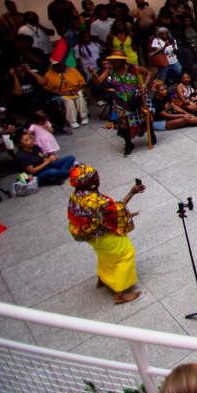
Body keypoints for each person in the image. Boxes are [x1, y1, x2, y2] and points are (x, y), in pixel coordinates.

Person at [66, 164, 143, 304]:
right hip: (101, 234)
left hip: (89, 235)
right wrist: (132, 192)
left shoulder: (76, 195)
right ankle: (120, 294)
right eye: (96, 178)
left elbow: (99, 214)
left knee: (105, 255)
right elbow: (115, 209)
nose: (99, 179)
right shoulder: (94, 201)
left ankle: (103, 279)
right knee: (125, 254)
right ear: (88, 183)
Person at [95, 51, 156, 157]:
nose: (114, 62)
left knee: (145, 116)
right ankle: (128, 144)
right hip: (121, 99)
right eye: (113, 60)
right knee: (123, 123)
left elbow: (149, 73)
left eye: (117, 59)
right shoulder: (110, 70)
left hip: (136, 96)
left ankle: (152, 135)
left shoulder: (134, 68)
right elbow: (98, 81)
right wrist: (92, 74)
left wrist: (144, 85)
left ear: (124, 60)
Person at [43, 61, 88, 128]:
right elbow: (47, 88)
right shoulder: (48, 75)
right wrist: (60, 93)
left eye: (63, 65)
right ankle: (72, 121)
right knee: (69, 101)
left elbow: (82, 81)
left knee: (80, 97)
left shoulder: (72, 70)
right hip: (62, 92)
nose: (62, 66)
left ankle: (84, 116)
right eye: (60, 65)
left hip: (75, 89)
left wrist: (76, 89)